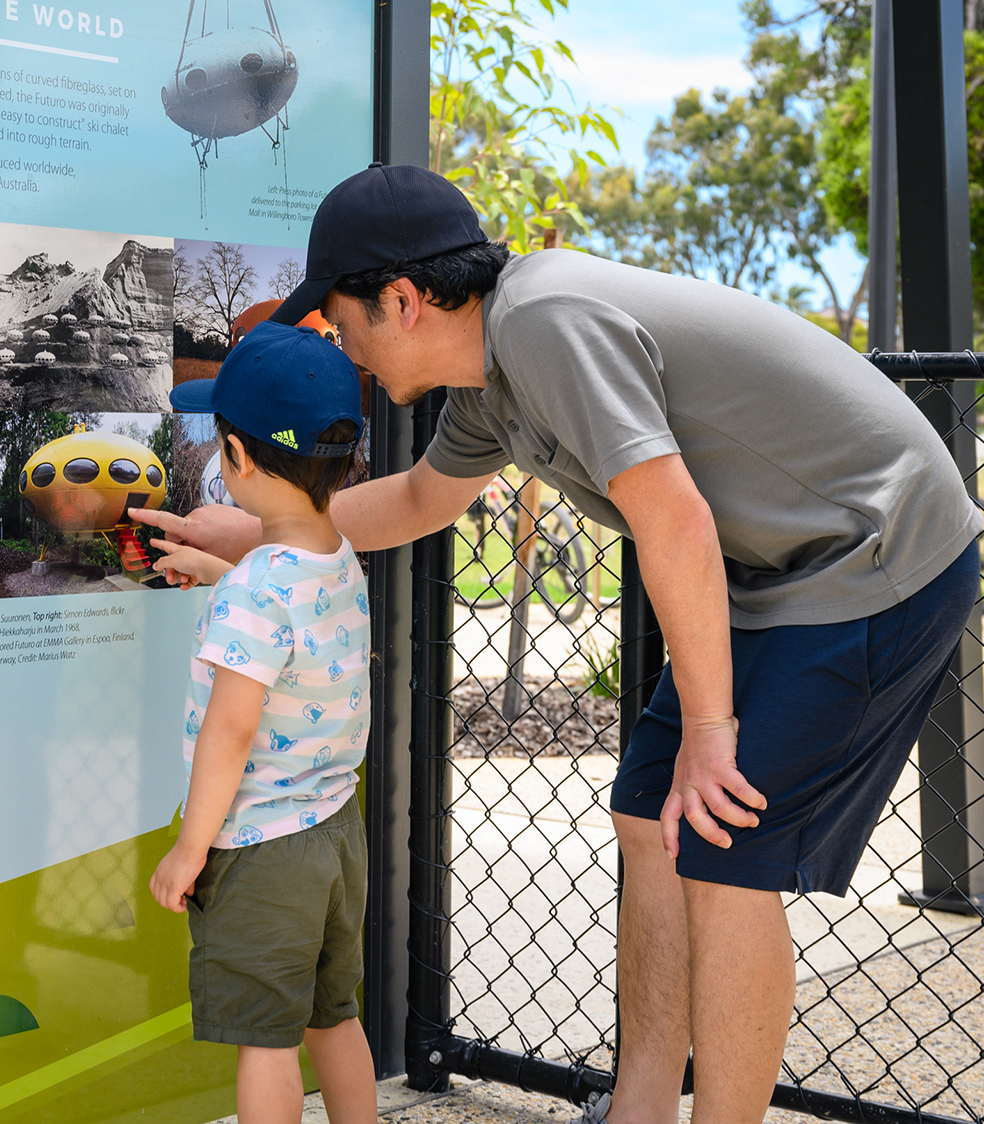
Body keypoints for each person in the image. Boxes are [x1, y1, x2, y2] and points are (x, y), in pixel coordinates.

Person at [133, 163, 982, 1124]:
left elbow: (674, 519)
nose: (346, 347)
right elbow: (419, 500)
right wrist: (248, 531)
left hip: (877, 551)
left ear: (402, 301)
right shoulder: (492, 375)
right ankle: (642, 1108)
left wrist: (712, 729)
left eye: (343, 319)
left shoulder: (544, 321)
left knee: (720, 844)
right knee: (646, 819)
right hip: (772, 574)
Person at [145, 321, 376, 1124]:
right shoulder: (336, 554)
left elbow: (231, 730)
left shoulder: (253, 593)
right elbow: (292, 621)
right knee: (333, 1014)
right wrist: (217, 574)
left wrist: (189, 846)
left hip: (261, 846)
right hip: (333, 835)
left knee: (266, 1040)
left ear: (236, 458)